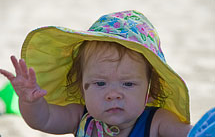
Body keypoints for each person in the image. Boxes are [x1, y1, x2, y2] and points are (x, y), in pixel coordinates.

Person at [0, 10, 208, 137]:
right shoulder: (80, 117)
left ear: (150, 91)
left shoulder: (158, 121)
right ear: (82, 87)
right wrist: (31, 102)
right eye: (100, 84)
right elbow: (42, 120)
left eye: (127, 84)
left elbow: (192, 134)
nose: (113, 94)